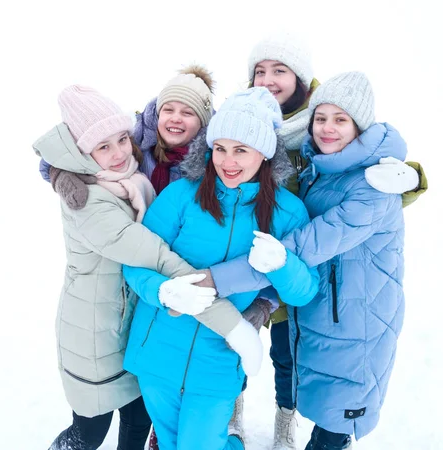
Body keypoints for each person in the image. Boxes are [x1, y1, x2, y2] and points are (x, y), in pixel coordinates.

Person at [214, 31, 428, 449]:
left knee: (290, 361)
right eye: (260, 70)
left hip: (301, 277)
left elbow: (363, 192)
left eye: (280, 70)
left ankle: (284, 424)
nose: (268, 79)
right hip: (285, 273)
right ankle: (231, 413)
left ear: (301, 81)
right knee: (231, 348)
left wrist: (415, 177)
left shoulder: (322, 141)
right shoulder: (254, 125)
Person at [121, 87, 320, 450]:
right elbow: (136, 262)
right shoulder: (182, 196)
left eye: (241, 150)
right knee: (169, 442)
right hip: (157, 351)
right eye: (221, 149)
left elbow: (305, 291)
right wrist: (162, 290)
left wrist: (282, 265)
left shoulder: (288, 213)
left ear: (265, 153)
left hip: (218, 360)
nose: (228, 161)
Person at [32, 85, 226, 450]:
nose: (120, 152)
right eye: (103, 146)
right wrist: (205, 283)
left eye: (123, 139)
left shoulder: (126, 179)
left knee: (137, 422)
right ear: (81, 153)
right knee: (88, 432)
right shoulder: (89, 199)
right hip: (95, 331)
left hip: (131, 321)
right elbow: (148, 251)